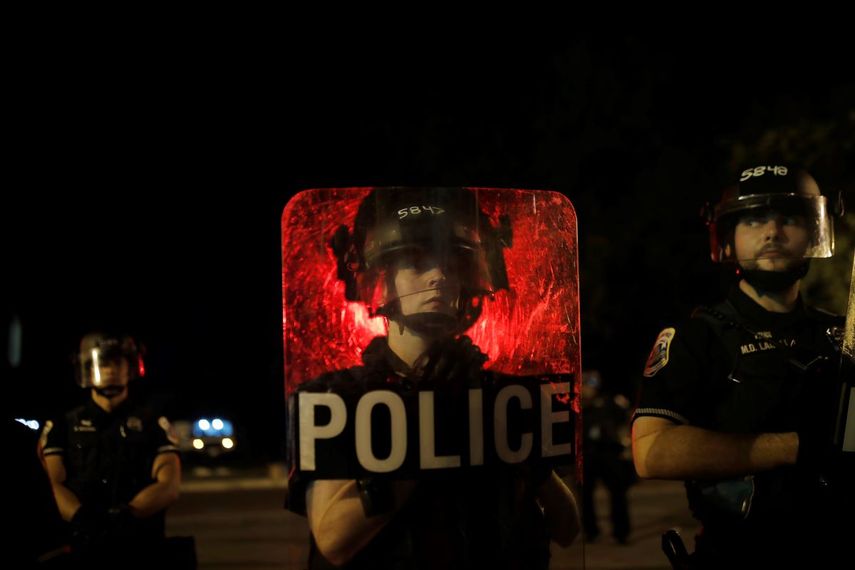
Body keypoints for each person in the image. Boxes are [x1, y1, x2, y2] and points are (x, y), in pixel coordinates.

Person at [286, 187, 580, 569]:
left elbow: (568, 528)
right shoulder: (337, 398)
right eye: (415, 262)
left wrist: (522, 451)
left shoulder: (505, 394)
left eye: (454, 264)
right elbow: (334, 541)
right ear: (378, 276)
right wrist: (430, 424)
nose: (440, 276)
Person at [631, 164, 851, 568]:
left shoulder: (844, 336)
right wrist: (799, 447)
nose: (772, 232)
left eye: (789, 219)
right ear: (728, 240)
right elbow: (652, 451)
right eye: (754, 220)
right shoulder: (697, 337)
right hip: (737, 553)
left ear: (815, 233)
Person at [39, 331, 183, 568]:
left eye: (117, 362)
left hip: (142, 547)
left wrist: (128, 515)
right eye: (103, 362)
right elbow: (52, 484)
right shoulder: (63, 425)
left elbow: (169, 483)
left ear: (130, 368)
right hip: (82, 548)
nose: (110, 370)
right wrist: (82, 518)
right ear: (86, 367)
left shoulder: (153, 423)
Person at [580, 370, 633, 545]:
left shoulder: (610, 402)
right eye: (585, 384)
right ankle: (591, 531)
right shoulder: (577, 405)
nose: (588, 389)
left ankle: (621, 532)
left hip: (609, 452)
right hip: (587, 453)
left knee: (618, 492)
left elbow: (625, 420)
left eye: (591, 384)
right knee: (585, 495)